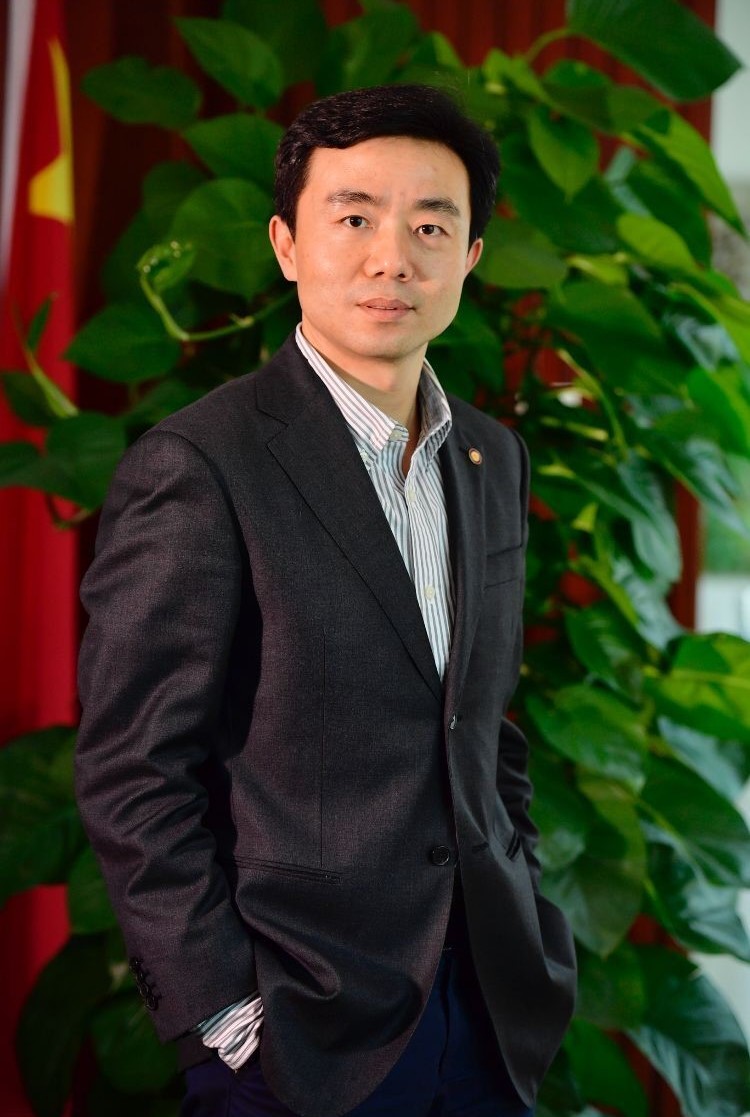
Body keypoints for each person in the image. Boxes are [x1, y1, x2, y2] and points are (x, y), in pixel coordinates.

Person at [76, 83, 576, 1117]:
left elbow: (481, 727)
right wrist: (227, 1018)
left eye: (431, 226)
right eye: (353, 218)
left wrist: (531, 918)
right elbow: (134, 768)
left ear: (471, 257)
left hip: (489, 1011)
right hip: (298, 1030)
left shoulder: (492, 457)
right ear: (286, 245)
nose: (393, 258)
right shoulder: (200, 464)